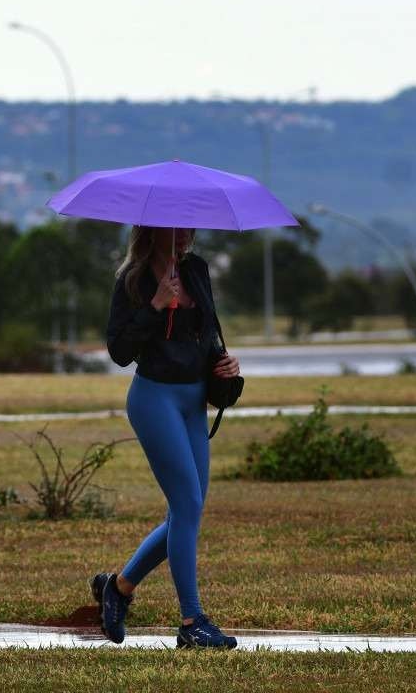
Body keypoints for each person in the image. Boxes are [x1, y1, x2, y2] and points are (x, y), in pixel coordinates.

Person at [90, 225, 241, 650]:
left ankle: (117, 588)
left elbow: (207, 333)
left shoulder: (197, 270)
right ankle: (192, 621)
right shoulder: (133, 280)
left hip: (193, 399)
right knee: (187, 504)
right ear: (151, 229)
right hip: (154, 398)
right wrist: (156, 305)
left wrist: (223, 362)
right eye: (174, 227)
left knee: (187, 512)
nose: (184, 234)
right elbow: (119, 351)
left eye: (189, 226)